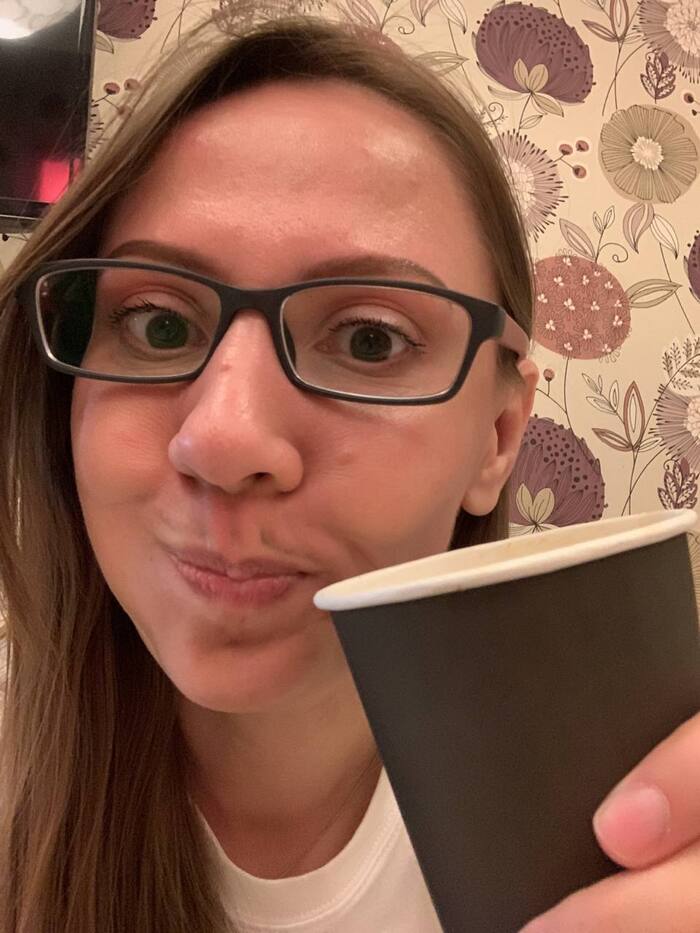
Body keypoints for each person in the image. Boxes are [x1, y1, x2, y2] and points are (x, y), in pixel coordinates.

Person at [0, 14, 699, 933]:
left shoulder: (612, 820)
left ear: (497, 436)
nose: (226, 440)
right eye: (159, 323)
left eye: (370, 339)